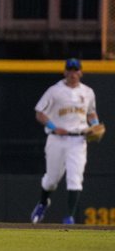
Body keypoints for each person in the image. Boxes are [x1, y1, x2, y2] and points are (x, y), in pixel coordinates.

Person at [30, 58, 101, 225]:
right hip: (57, 139)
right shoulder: (55, 91)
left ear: (81, 72)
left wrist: (95, 125)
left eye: (76, 70)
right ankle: (43, 203)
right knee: (51, 180)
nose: (73, 74)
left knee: (75, 178)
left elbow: (91, 113)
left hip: (78, 140)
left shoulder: (88, 92)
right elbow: (40, 112)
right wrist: (53, 127)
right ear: (65, 72)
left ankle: (69, 217)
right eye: (70, 70)